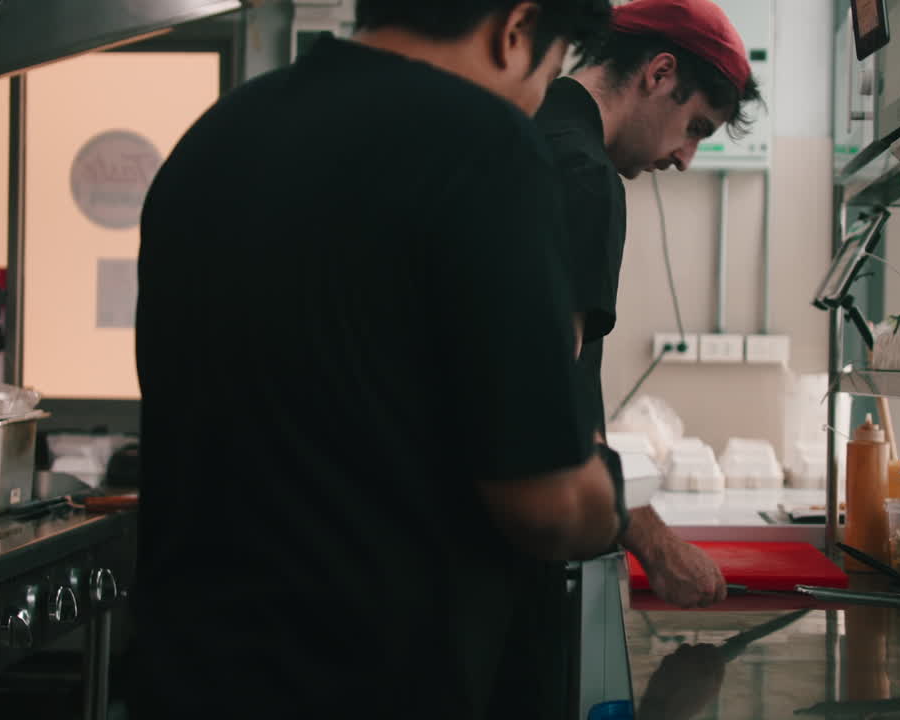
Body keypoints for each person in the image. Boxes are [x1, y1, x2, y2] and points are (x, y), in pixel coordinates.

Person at [130, 1, 623, 718]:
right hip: (364, 683)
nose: (537, 100)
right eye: (549, 73)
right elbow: (546, 506)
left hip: (188, 679)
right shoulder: (486, 145)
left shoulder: (217, 136)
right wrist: (609, 495)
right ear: (515, 28)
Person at [535, 0, 763, 610]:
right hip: (511, 558)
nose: (687, 159)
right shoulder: (585, 176)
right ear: (659, 74)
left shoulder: (526, 128)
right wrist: (656, 544)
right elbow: (540, 409)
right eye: (696, 127)